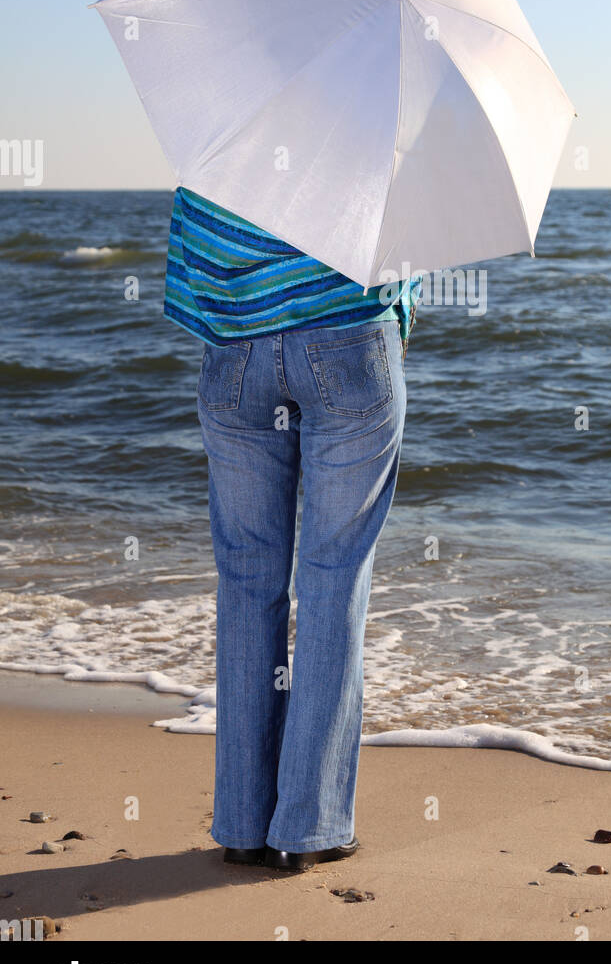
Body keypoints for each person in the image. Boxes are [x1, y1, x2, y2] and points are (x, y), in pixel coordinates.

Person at [164, 185, 420, 873]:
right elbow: (408, 248)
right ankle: (308, 828)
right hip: (348, 347)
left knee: (247, 581)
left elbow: (188, 279)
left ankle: (244, 826)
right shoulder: (373, 119)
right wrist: (400, 307)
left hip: (235, 362)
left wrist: (249, 331)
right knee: (335, 579)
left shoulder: (227, 127)